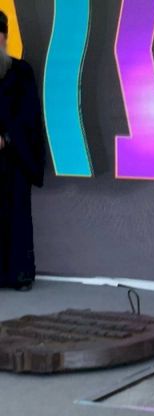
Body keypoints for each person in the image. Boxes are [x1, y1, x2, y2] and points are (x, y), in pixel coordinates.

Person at [0, 11, 45, 292]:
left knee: (16, 217)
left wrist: (6, 138)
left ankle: (20, 276)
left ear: (4, 38)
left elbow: (29, 115)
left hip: (14, 158)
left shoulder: (21, 72)